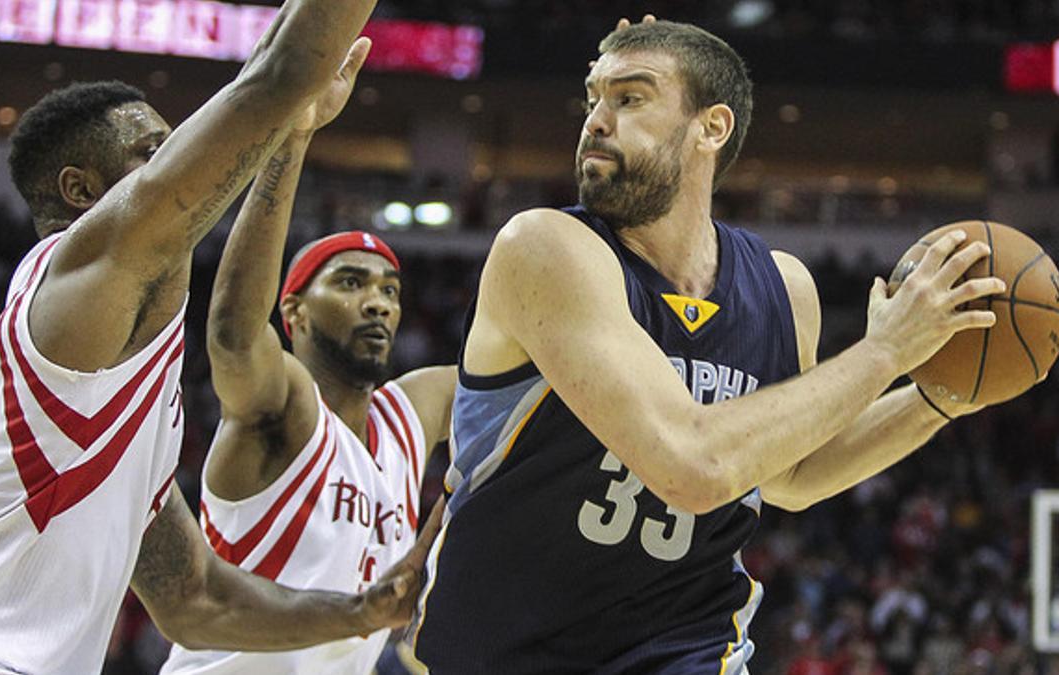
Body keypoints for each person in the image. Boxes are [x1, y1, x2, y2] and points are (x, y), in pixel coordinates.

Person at [412, 18, 1007, 674]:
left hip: (687, 649)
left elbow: (791, 474)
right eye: (593, 98)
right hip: (505, 654)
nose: (596, 121)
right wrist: (886, 351)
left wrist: (941, 398)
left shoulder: (784, 287)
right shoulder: (545, 249)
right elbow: (692, 465)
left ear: (711, 127)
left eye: (630, 98)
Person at [0, 2, 437, 672]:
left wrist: (365, 610)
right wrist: (290, 98)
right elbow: (272, 81)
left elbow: (195, 598)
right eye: (153, 154)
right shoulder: (73, 288)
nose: (186, 161)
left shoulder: (112, 373)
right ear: (84, 192)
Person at [160, 99, 454, 674]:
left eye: (391, 291)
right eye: (350, 282)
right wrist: (290, 142)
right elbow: (233, 333)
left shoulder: (411, 410)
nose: (377, 302)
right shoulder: (287, 407)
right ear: (292, 311)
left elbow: (533, 363)